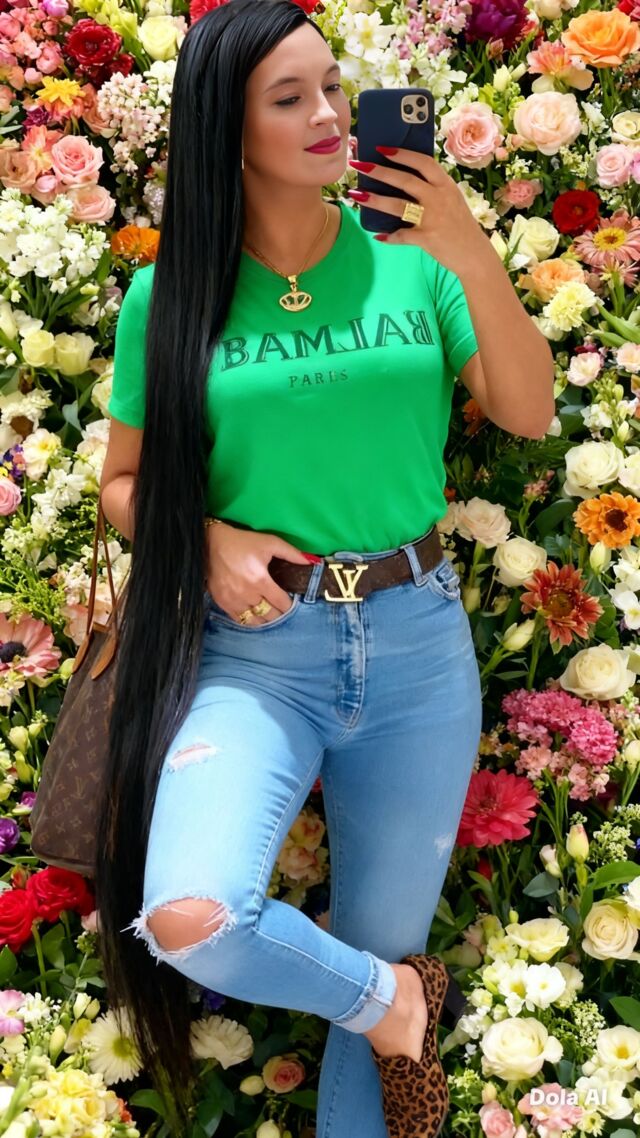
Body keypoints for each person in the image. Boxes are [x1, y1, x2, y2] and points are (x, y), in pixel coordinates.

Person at [97, 0, 556, 1135]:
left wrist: (468, 249)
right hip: (257, 654)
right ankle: (398, 1003)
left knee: (373, 960)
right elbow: (123, 484)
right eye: (288, 97)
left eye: (333, 90)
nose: (328, 116)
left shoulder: (416, 264)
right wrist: (206, 536)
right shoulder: (172, 295)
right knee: (197, 914)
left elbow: (528, 409)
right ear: (227, 126)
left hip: (416, 646)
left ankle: (387, 1005)